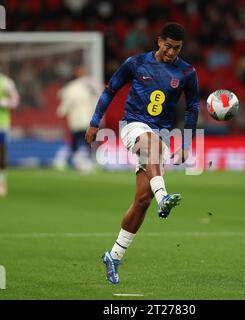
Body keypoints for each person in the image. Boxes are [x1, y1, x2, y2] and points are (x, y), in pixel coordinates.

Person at [85, 22, 200, 284]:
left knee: (141, 201)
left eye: (177, 48)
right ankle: (164, 197)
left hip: (162, 135)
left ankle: (113, 255)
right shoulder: (135, 63)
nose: (171, 52)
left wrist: (186, 142)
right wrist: (94, 122)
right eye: (168, 46)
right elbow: (110, 90)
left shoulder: (186, 72)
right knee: (150, 142)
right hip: (133, 126)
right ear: (158, 41)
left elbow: (192, 107)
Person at [57, 65, 100, 172]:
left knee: (85, 141)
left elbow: (99, 94)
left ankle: (85, 161)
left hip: (86, 120)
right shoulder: (73, 87)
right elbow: (65, 99)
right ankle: (79, 161)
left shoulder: (89, 84)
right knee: (79, 141)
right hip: (78, 120)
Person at [0, 71, 20, 196]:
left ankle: (1, 183)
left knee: (1, 152)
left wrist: (3, 102)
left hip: (1, 124)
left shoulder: (6, 82)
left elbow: (15, 100)